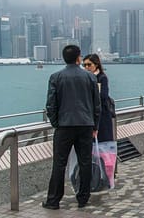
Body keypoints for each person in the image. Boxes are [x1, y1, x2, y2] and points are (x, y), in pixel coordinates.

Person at [43, 45, 101, 210]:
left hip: (64, 126)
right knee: (85, 162)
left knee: (59, 163)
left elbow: (51, 104)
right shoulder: (90, 78)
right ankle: (83, 198)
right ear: (79, 58)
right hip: (85, 125)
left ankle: (53, 200)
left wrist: (56, 123)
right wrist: (95, 125)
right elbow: (97, 105)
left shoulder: (56, 77)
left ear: (64, 58)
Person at [83, 54, 114, 142]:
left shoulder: (102, 78)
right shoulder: (85, 78)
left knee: (103, 142)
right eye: (84, 65)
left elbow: (103, 95)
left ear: (96, 65)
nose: (86, 67)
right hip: (89, 115)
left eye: (89, 65)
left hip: (102, 114)